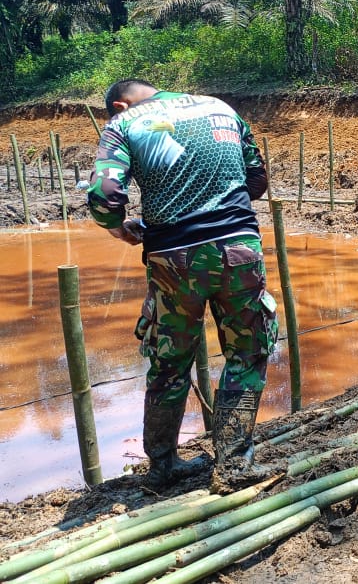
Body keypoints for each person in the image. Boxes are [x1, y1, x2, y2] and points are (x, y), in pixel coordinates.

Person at [87, 79, 278, 489]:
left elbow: (104, 197)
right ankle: (234, 468)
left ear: (119, 105)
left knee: (169, 362)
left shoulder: (124, 125)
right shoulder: (221, 107)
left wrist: (119, 228)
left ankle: (162, 466)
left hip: (173, 260)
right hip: (237, 250)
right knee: (246, 354)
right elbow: (257, 181)